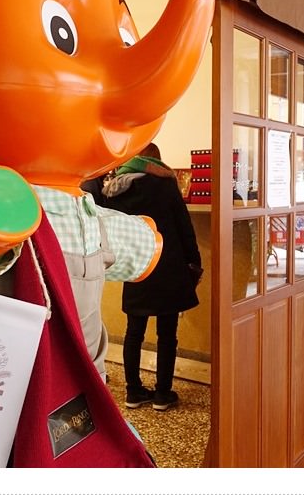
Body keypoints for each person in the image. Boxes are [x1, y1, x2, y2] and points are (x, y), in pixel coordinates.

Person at [103, 143, 203, 411]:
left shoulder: (116, 187)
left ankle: (133, 391)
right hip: (168, 264)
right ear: (156, 162)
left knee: (133, 332)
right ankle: (162, 393)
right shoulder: (166, 184)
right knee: (167, 334)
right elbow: (184, 226)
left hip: (136, 265)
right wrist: (194, 262)